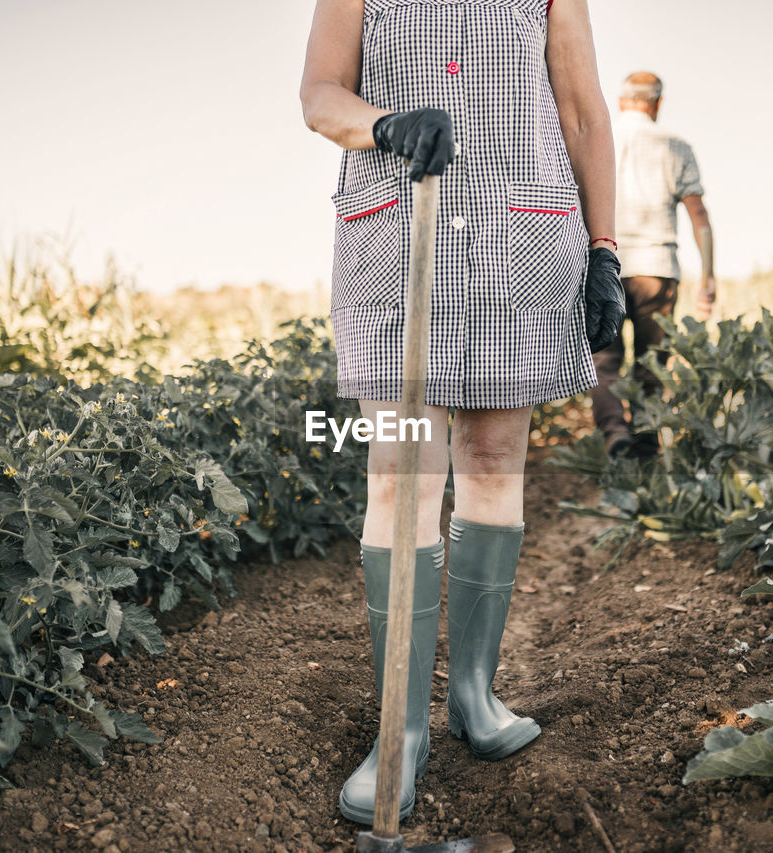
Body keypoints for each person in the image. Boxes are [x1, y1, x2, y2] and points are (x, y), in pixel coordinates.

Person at [300, 0, 624, 826]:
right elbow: (320, 95)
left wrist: (605, 247)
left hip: (523, 236)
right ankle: (398, 731)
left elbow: (584, 112)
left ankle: (473, 696)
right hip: (396, 239)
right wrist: (386, 124)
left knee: (491, 463)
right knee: (401, 474)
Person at [592, 71, 715, 458]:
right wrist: (708, 277)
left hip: (604, 263)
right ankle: (645, 437)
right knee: (652, 361)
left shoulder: (598, 139)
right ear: (658, 104)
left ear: (620, 102)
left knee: (603, 360)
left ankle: (615, 435)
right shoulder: (676, 146)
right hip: (656, 268)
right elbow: (700, 217)